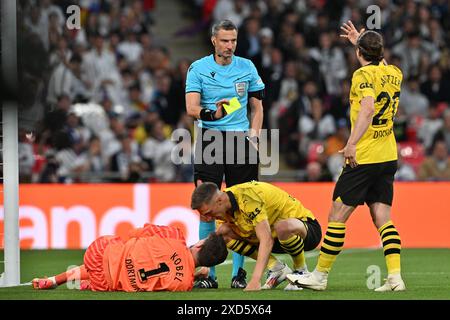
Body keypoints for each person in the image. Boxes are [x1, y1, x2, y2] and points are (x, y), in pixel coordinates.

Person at [287, 21, 406, 292]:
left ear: (359, 53)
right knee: (383, 219)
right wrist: (361, 41)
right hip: (388, 155)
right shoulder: (394, 72)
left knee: (337, 215)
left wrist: (351, 144)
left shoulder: (361, 76)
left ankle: (320, 276)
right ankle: (396, 277)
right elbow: (380, 61)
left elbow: (367, 109)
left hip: (363, 156)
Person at [185, 19, 265, 289]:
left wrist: (254, 136)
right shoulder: (198, 69)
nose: (230, 46)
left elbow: (257, 107)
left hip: (241, 140)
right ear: (213, 41)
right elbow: (191, 108)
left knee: (242, 211)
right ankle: (207, 273)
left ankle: (239, 274)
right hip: (209, 139)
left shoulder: (248, 67)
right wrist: (213, 113)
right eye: (224, 41)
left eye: (233, 41)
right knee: (207, 211)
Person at [190, 181, 322, 291]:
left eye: (208, 212)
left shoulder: (248, 198)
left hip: (305, 229)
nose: (207, 218)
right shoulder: (222, 211)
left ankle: (301, 271)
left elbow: (266, 239)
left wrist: (255, 280)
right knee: (224, 233)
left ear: (219, 201)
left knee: (282, 227)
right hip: (275, 236)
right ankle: (276, 268)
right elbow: (219, 235)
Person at [31, 223, 228, 292]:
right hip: (106, 285)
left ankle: (54, 280)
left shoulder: (175, 235)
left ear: (200, 243)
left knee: (116, 249)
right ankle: (82, 283)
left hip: (97, 252)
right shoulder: (185, 284)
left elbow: (136, 232)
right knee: (113, 274)